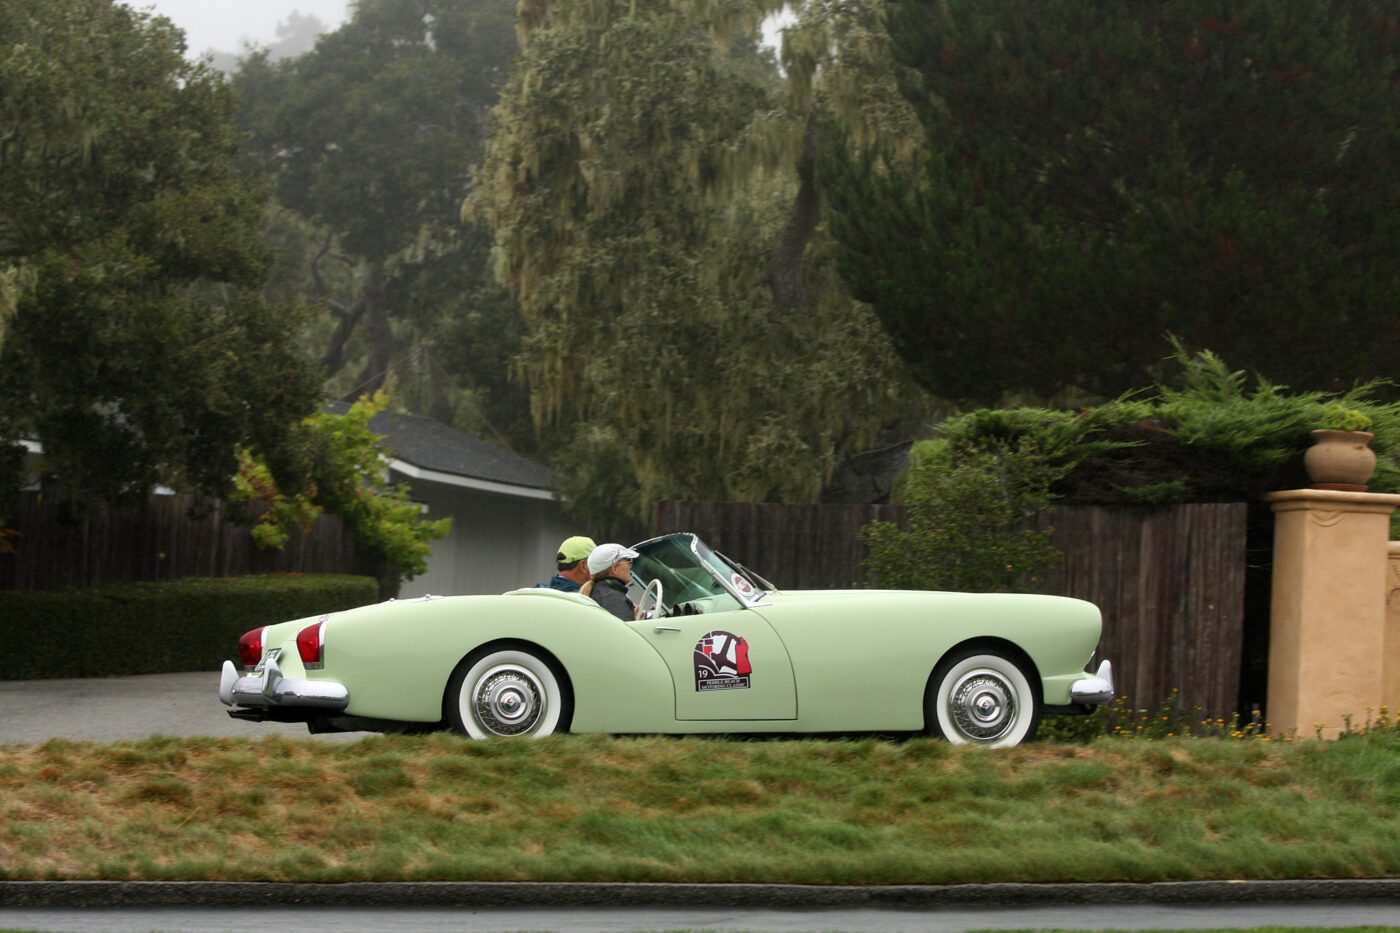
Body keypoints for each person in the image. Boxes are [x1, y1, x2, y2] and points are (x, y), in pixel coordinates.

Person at [580, 542, 639, 621]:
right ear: (614, 569)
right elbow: (625, 632)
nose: (631, 566)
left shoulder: (596, 590)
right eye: (628, 561)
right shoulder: (614, 599)